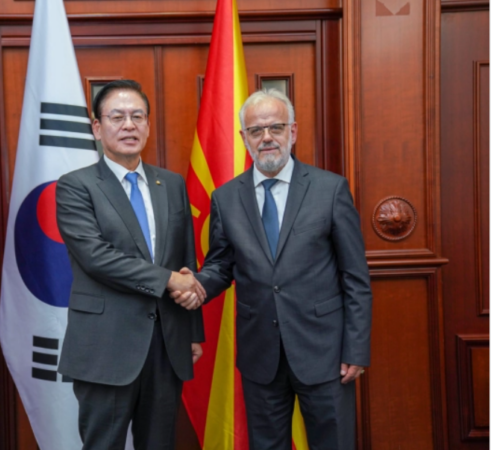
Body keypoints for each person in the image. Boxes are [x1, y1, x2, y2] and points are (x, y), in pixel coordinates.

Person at [173, 89, 372, 449]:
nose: (266, 137)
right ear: (243, 138)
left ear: (292, 131)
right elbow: (221, 265)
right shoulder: (226, 198)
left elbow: (355, 279)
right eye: (256, 130)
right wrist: (197, 285)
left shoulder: (330, 190)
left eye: (275, 127)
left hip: (324, 352)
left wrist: (355, 350)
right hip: (260, 353)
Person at [56, 80, 206, 450]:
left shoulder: (171, 183)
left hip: (166, 344)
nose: (129, 125)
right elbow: (96, 257)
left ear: (148, 126)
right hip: (105, 345)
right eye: (117, 117)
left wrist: (191, 330)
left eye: (137, 116)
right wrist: (168, 279)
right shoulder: (76, 186)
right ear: (97, 127)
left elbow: (185, 261)